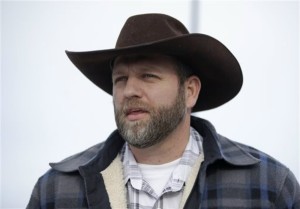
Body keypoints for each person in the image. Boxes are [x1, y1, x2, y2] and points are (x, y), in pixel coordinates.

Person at [27, 13, 300, 209]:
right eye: (120, 79)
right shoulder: (56, 191)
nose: (129, 90)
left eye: (148, 76)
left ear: (190, 91)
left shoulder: (267, 186)